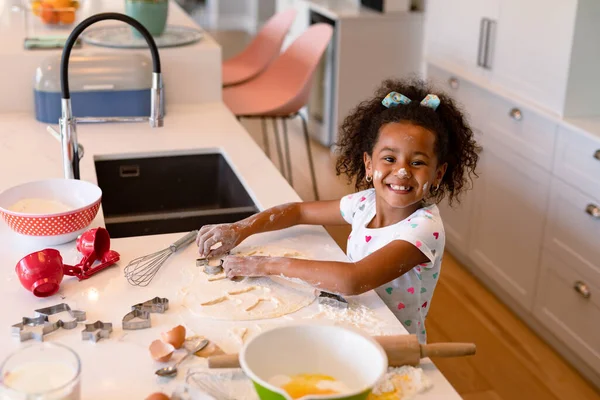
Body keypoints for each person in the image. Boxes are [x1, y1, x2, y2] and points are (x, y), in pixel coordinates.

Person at [196, 78, 479, 342]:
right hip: (356, 325)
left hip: (392, 344)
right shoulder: (364, 204)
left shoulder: (423, 229)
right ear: (369, 165)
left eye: (417, 163)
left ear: (439, 174)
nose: (402, 171)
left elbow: (353, 279)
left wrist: (266, 265)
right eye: (389, 158)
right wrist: (240, 229)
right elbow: (298, 211)